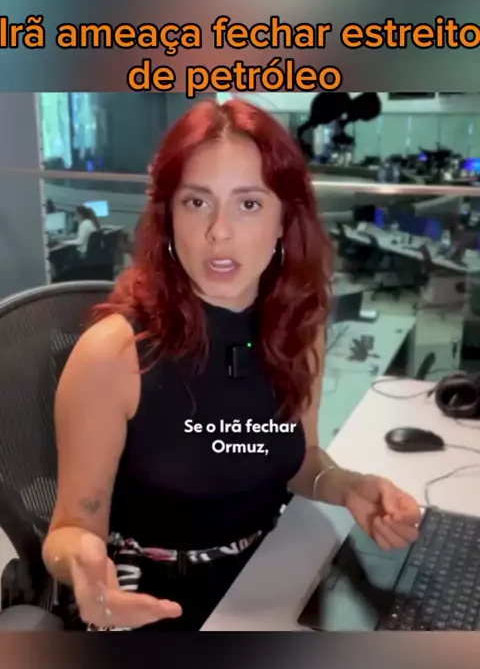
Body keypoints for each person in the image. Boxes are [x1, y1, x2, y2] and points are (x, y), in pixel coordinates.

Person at [42, 99, 421, 631]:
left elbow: (298, 459)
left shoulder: (297, 329)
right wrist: (81, 562)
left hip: (270, 573)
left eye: (248, 204)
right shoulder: (112, 356)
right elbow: (69, 529)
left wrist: (347, 486)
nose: (219, 230)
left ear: (284, 220)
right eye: (197, 202)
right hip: (152, 601)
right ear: (168, 217)